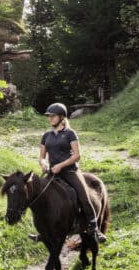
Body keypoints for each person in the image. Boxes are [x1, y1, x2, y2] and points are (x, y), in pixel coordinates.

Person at [39, 103, 107, 243]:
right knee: (40, 197)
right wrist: (43, 163)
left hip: (70, 171)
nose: (50, 119)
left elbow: (77, 155)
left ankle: (94, 229)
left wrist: (61, 165)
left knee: (84, 196)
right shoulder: (46, 135)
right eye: (49, 116)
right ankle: (43, 231)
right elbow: (42, 156)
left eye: (53, 116)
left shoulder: (70, 134)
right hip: (53, 172)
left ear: (61, 117)